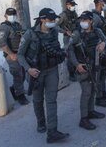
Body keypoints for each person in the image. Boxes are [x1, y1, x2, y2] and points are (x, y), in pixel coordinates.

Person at [17, 8, 69, 143]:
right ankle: (41, 122)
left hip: (52, 70)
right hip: (36, 72)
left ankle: (52, 131)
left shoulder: (54, 32)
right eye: (50, 20)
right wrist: (28, 70)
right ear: (42, 19)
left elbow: (57, 48)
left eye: (54, 20)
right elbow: (20, 55)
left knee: (52, 100)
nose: (53, 22)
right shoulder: (30, 34)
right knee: (38, 100)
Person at [68, 11, 106, 130]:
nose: (83, 22)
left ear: (91, 21)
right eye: (81, 20)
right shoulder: (77, 34)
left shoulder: (97, 31)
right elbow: (69, 50)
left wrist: (103, 45)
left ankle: (90, 111)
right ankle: (83, 119)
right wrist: (77, 64)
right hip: (83, 66)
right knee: (86, 92)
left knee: (93, 89)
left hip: (95, 64)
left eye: (85, 20)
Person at [0, 8, 29, 105]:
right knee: (18, 74)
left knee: (23, 73)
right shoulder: (4, 27)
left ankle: (14, 89)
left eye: (14, 14)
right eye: (10, 15)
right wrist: (11, 54)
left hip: (20, 53)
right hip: (12, 54)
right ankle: (20, 95)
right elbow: (2, 43)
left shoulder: (16, 25)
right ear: (5, 16)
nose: (12, 16)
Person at [57, 0, 78, 81]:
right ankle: (71, 74)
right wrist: (65, 32)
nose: (73, 7)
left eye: (74, 5)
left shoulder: (74, 13)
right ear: (67, 5)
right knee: (70, 54)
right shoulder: (63, 15)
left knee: (76, 53)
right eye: (72, 5)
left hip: (75, 36)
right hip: (67, 37)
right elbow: (55, 26)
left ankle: (77, 71)